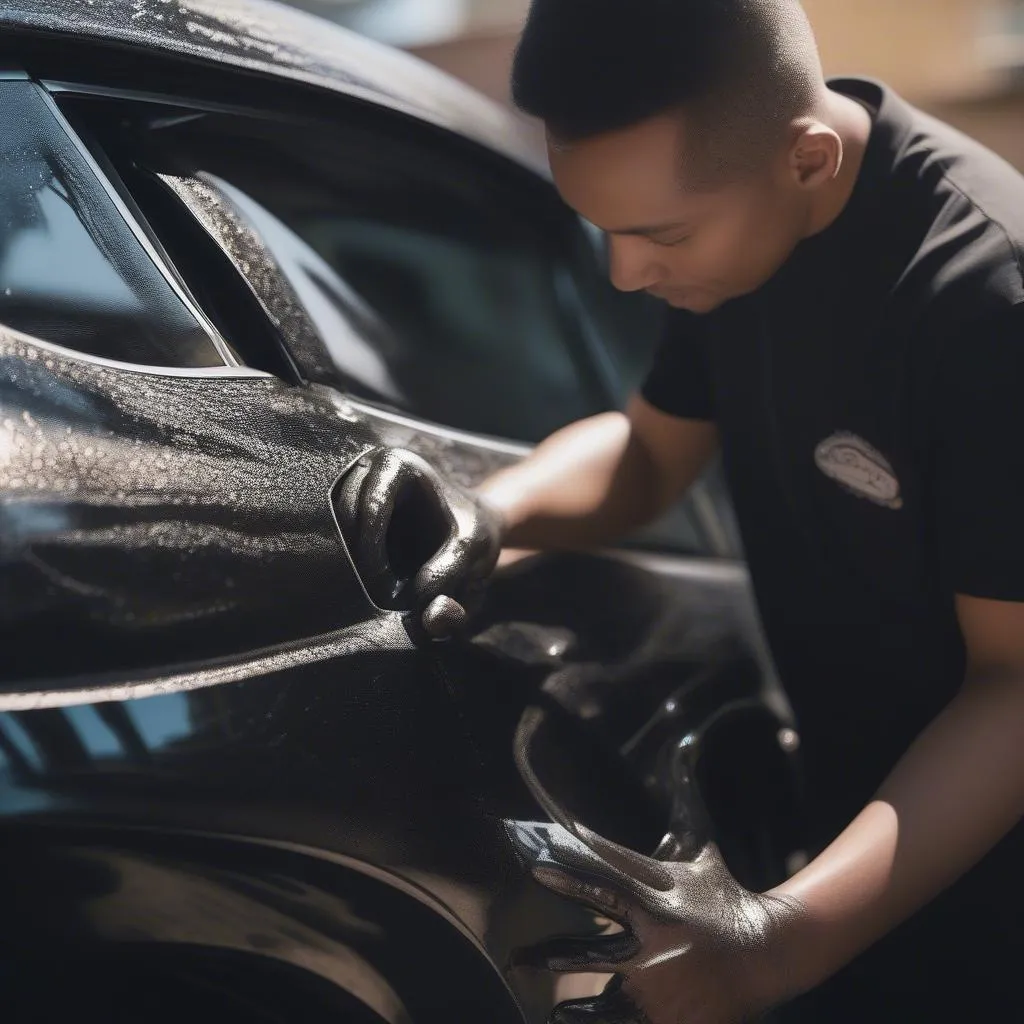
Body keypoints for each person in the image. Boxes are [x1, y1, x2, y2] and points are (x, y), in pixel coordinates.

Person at [471, 1, 1024, 1022]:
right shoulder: (739, 236)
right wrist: (488, 514)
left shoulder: (988, 302)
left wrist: (777, 946)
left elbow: (1013, 690)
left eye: (657, 235)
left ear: (806, 159)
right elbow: (644, 459)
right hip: (847, 849)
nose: (626, 273)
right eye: (604, 232)